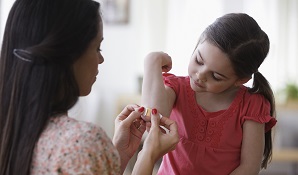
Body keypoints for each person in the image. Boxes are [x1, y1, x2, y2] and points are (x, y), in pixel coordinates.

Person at [0, 0, 179, 174]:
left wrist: (118, 154)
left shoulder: (13, 130)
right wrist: (148, 155)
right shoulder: (81, 143)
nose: (101, 59)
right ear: (67, 54)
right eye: (97, 48)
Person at [141, 13, 277, 175]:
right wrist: (152, 61)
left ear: (240, 79)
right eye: (199, 60)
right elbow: (153, 116)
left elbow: (249, 168)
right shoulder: (177, 88)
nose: (199, 75)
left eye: (216, 76)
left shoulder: (252, 105)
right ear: (198, 42)